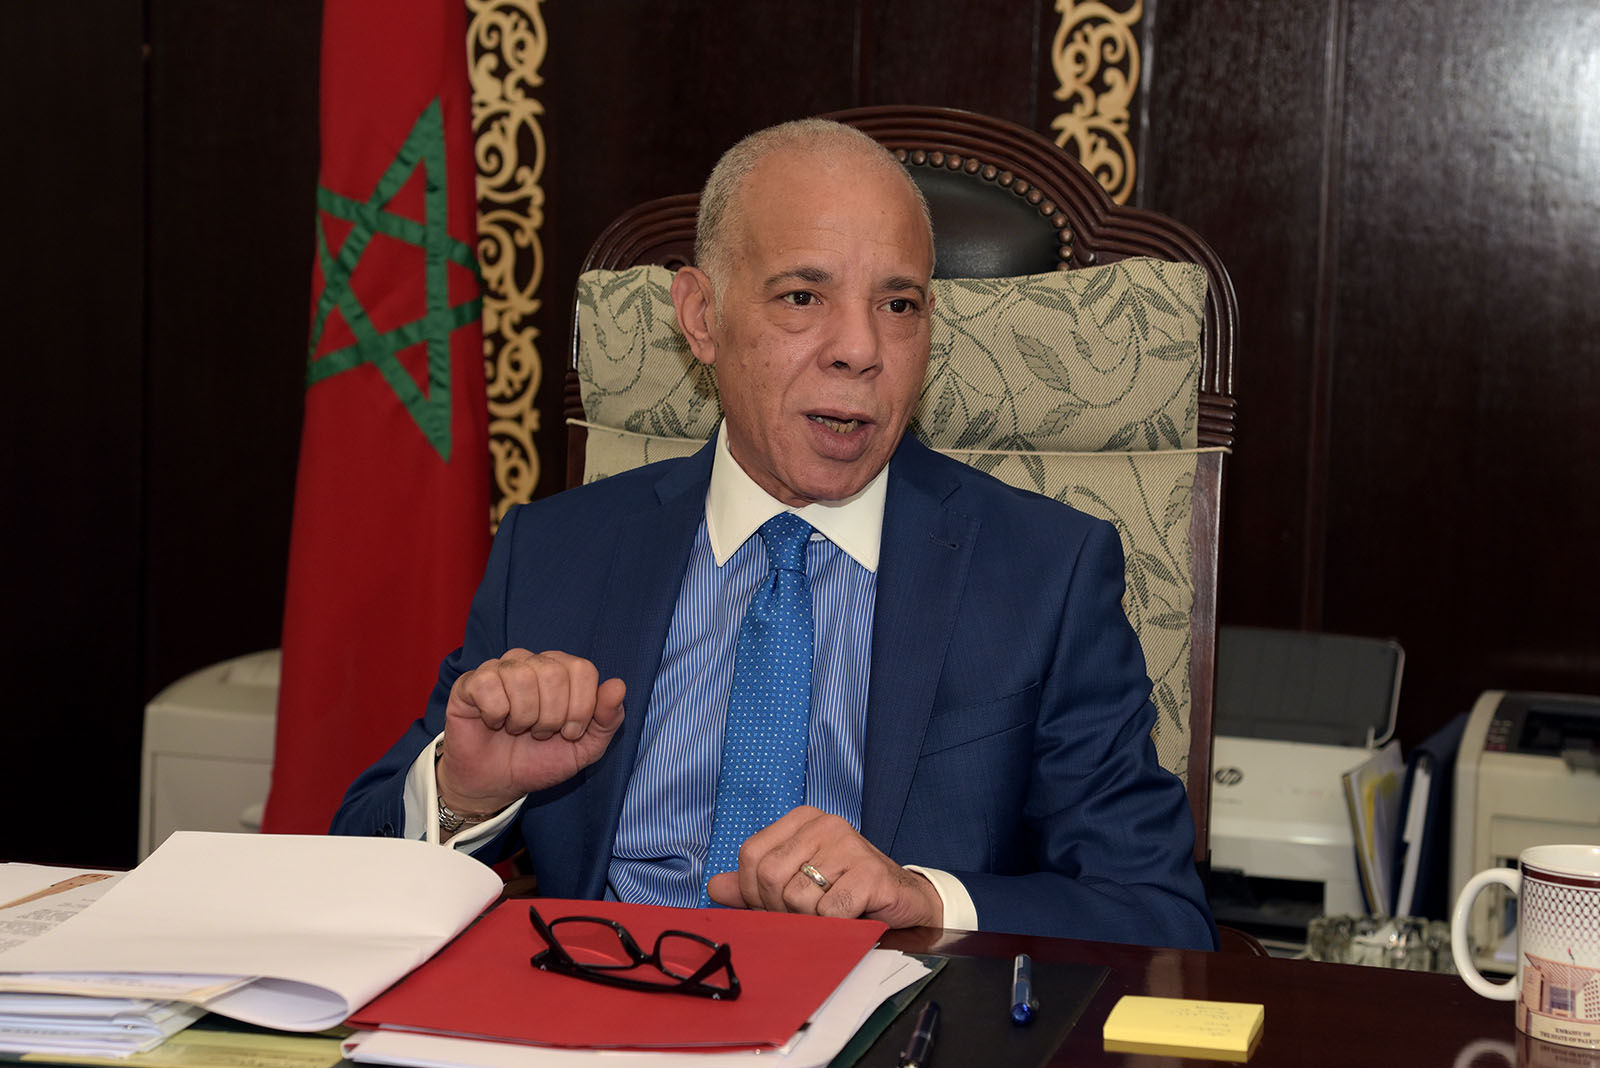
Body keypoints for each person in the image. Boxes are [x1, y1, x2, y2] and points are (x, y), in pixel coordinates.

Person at [332, 118, 1217, 949]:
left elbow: (1159, 917)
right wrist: (462, 793)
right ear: (701, 318)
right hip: (601, 1009)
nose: (860, 349)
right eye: (803, 296)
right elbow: (347, 880)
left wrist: (925, 898)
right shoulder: (556, 554)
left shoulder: (1045, 574)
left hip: (894, 1019)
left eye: (900, 306)